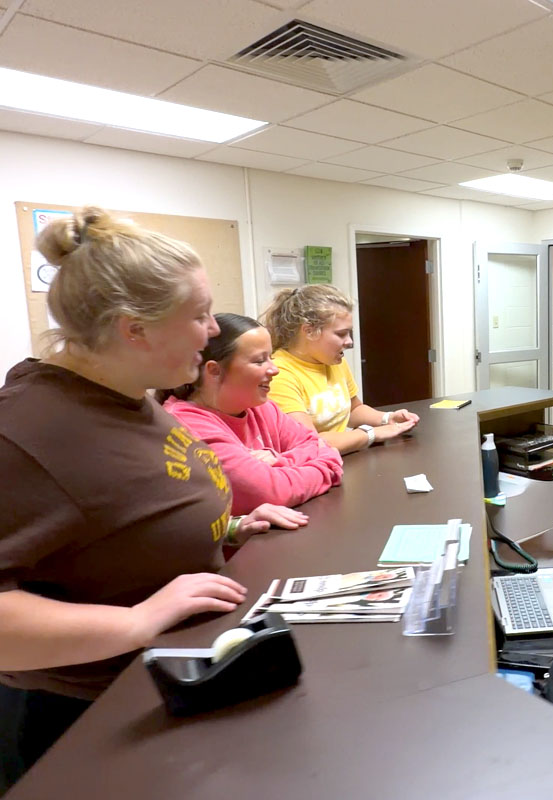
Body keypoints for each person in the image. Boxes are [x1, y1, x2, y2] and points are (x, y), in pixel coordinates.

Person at [0, 208, 305, 792]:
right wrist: (136, 620)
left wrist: (234, 525)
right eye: (198, 315)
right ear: (132, 328)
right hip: (85, 723)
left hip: (174, 680)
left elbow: (119, 519)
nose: (214, 329)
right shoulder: (24, 431)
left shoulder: (129, 398)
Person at [163, 313, 344, 515]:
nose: (274, 370)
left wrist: (279, 461)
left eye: (271, 358)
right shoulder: (187, 425)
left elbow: (317, 443)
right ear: (214, 370)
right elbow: (271, 492)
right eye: (259, 361)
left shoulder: (261, 407)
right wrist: (328, 466)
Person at [261, 286, 419, 455]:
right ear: (309, 331)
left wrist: (387, 418)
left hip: (343, 458)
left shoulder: (334, 360)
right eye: (341, 334)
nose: (350, 342)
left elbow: (353, 409)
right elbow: (308, 444)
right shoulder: (279, 374)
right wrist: (370, 434)